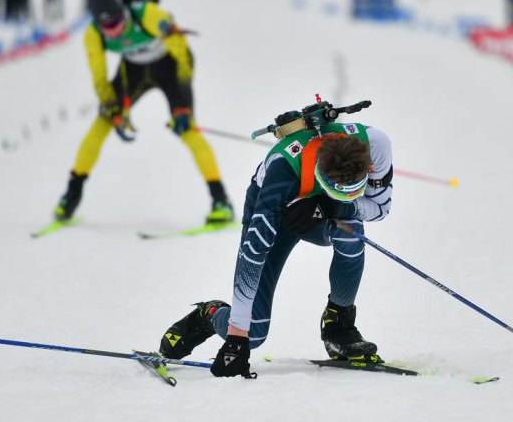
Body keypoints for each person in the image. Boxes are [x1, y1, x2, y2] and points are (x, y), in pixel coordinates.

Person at [157, 101, 394, 378]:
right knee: (253, 333)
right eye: (338, 192)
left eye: (355, 191)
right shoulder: (282, 171)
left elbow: (380, 209)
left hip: (320, 216)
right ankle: (210, 315)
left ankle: (339, 325)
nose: (349, 198)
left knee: (352, 233)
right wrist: (236, 338)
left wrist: (331, 206)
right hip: (279, 214)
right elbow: (253, 252)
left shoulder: (376, 145)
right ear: (319, 172)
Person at [53, 0, 234, 224]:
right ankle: (71, 196)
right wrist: (113, 108)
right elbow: (99, 78)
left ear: (123, 13)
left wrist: (182, 104)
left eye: (117, 22)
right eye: (107, 27)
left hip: (169, 68)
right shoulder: (93, 35)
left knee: (188, 130)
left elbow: (184, 55)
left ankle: (221, 200)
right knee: (101, 124)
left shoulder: (148, 14)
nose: (114, 31)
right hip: (133, 72)